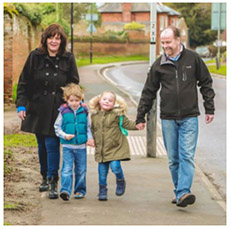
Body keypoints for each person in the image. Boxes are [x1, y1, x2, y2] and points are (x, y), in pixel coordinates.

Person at [136, 26, 215, 207]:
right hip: (168, 118)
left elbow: (206, 83)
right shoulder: (159, 64)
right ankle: (180, 191)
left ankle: (183, 192)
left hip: (189, 117)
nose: (165, 46)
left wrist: (209, 108)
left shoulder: (193, 59)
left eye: (168, 42)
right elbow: (149, 91)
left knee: (186, 155)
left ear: (178, 40)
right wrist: (141, 116)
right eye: (163, 43)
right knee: (173, 159)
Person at [16, 23, 79, 199]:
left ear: (62, 41)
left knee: (52, 144)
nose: (54, 41)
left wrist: (72, 105)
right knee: (41, 145)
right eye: (51, 37)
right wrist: (21, 105)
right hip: (37, 108)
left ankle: (53, 179)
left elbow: (73, 84)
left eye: (58, 38)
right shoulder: (35, 57)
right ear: (45, 39)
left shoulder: (68, 58)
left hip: (57, 109)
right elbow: (23, 83)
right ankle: (44, 176)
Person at [89, 91, 143, 201]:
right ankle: (102, 191)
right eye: (105, 99)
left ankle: (120, 180)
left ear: (114, 104)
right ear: (99, 101)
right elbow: (93, 129)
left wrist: (137, 125)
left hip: (115, 148)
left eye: (110, 101)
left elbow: (127, 124)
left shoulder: (117, 115)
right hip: (102, 149)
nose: (107, 102)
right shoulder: (94, 116)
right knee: (102, 173)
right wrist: (91, 139)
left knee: (115, 167)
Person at [54, 83, 94, 201]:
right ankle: (65, 190)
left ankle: (79, 190)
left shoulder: (84, 111)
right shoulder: (63, 111)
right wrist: (64, 136)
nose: (74, 103)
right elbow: (57, 127)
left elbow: (88, 127)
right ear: (67, 100)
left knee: (81, 170)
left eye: (77, 100)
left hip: (81, 147)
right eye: (72, 100)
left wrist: (90, 138)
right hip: (67, 146)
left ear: (81, 99)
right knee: (67, 169)